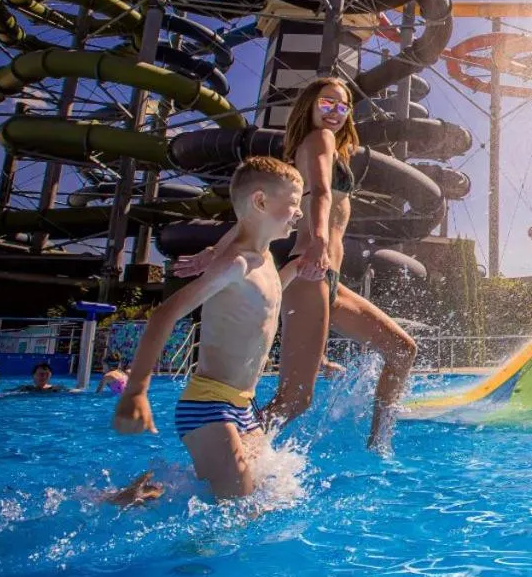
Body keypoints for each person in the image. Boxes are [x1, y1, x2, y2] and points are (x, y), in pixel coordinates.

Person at [175, 77, 417, 449]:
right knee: (294, 400)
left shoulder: (326, 150)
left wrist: (214, 251)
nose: (335, 112)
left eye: (342, 106)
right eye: (327, 103)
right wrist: (319, 238)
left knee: (402, 350)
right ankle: (230, 454)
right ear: (309, 106)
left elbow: (256, 214)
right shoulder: (318, 141)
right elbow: (319, 192)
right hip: (309, 273)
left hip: (327, 279)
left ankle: (379, 446)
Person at [111, 156, 307, 501]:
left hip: (245, 407)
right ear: (260, 202)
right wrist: (136, 391)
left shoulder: (266, 261)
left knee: (268, 496)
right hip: (209, 404)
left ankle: (137, 496)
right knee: (240, 506)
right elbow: (164, 315)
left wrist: (299, 267)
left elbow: (265, 298)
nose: (300, 212)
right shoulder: (235, 264)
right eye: (293, 203)